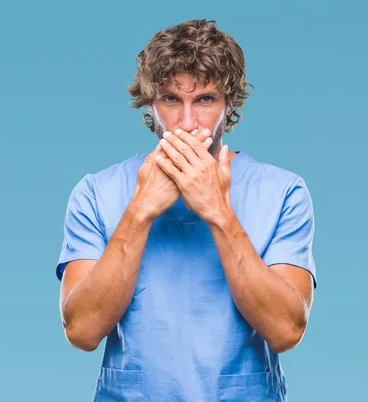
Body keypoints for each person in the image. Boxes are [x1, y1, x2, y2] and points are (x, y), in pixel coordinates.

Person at [55, 19, 316, 401]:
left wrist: (219, 212)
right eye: (171, 100)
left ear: (230, 104)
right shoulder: (96, 192)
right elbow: (81, 332)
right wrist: (139, 211)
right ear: (150, 103)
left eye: (206, 100)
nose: (187, 123)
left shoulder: (283, 192)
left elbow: (286, 332)